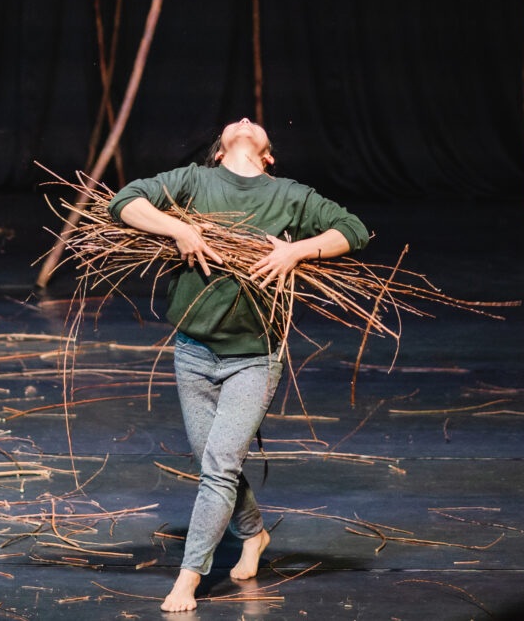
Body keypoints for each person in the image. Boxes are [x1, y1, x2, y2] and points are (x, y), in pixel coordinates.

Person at [107, 118, 369, 612]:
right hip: (193, 350)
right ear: (219, 151)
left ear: (268, 154)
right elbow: (124, 201)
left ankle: (187, 579)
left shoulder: (289, 194)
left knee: (220, 466)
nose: (246, 120)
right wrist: (179, 227)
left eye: (255, 123)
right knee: (214, 463)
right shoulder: (193, 181)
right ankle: (254, 535)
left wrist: (296, 250)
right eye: (237, 121)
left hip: (254, 356)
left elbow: (354, 230)